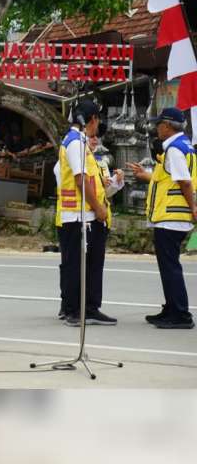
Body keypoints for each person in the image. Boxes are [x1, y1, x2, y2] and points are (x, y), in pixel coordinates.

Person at [129, 108, 196, 330]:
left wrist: (194, 208)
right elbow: (168, 180)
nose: (157, 128)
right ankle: (172, 308)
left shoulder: (175, 150)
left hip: (172, 216)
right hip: (173, 216)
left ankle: (180, 314)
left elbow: (185, 182)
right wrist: (145, 175)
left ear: (167, 126)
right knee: (169, 265)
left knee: (170, 266)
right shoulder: (184, 147)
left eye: (159, 124)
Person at [54, 100, 116, 327]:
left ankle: (90, 307)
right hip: (78, 216)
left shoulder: (79, 141)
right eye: (97, 119)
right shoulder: (75, 142)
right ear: (92, 120)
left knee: (91, 265)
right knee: (75, 266)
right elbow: (80, 179)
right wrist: (98, 208)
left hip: (88, 216)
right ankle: (73, 310)